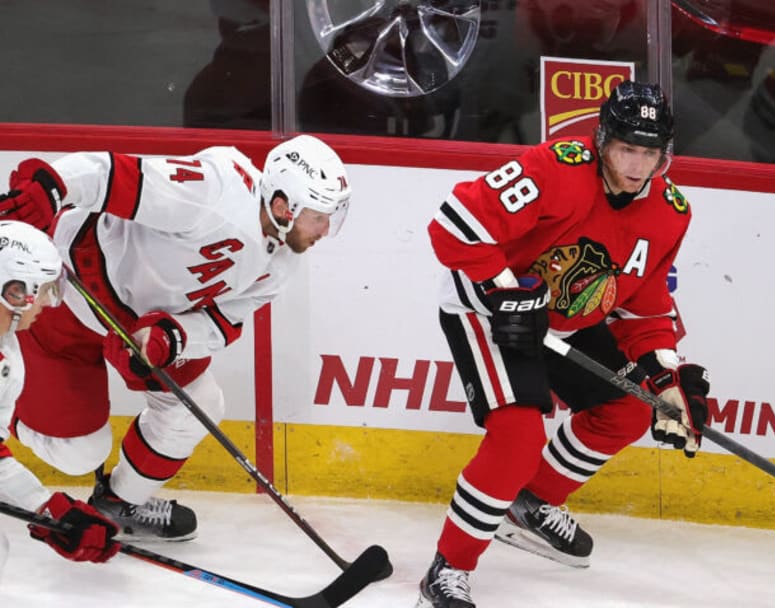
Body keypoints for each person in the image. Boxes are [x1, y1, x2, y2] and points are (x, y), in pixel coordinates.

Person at [419, 80, 711, 607]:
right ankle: (447, 569)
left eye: (649, 153)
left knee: (626, 407)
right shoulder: (556, 168)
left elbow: (641, 307)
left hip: (565, 323)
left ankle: (528, 504)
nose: (637, 165)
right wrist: (505, 292)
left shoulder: (671, 212)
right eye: (626, 149)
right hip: (486, 311)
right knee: (516, 437)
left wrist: (666, 376)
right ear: (602, 140)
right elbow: (453, 226)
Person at [0, 134, 351, 541]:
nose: (326, 230)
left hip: (136, 328)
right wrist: (53, 186)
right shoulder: (216, 188)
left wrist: (173, 337)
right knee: (81, 454)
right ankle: (8, 413)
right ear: (281, 206)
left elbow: (224, 322)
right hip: (64, 298)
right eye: (320, 216)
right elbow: (116, 176)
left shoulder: (286, 261)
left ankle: (119, 503)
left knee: (200, 404)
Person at [0, 221, 119, 565]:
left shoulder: (9, 350)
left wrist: (49, 511)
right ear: (14, 292)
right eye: (45, 290)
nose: (49, 305)